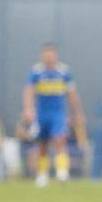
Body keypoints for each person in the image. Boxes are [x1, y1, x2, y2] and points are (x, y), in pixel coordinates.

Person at [22, 43, 83, 187]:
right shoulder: (36, 72)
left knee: (59, 139)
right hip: (42, 114)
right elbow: (29, 91)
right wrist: (28, 109)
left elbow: (72, 94)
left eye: (51, 54)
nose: (49, 57)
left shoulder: (64, 72)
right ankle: (42, 175)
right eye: (46, 54)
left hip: (58, 114)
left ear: (55, 56)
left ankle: (62, 172)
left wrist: (77, 113)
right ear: (42, 56)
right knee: (43, 145)